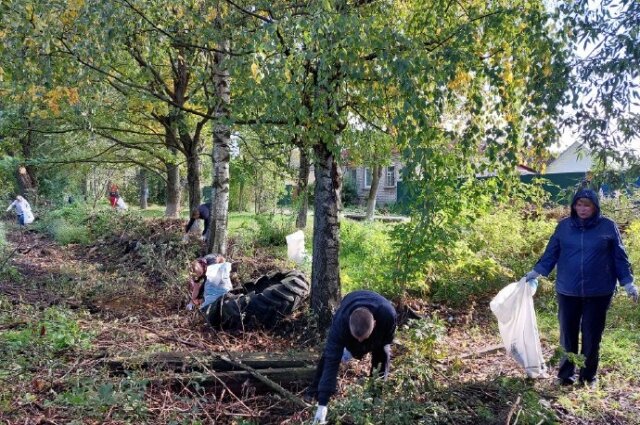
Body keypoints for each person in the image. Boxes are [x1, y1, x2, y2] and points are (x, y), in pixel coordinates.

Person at [524, 188, 637, 387]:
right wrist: (535, 272)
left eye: (587, 205)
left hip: (599, 291)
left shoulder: (607, 226)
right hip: (568, 290)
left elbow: (620, 258)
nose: (582, 209)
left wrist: (628, 283)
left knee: (592, 336)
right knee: (567, 335)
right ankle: (565, 376)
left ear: (595, 207)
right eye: (579, 204)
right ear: (574, 206)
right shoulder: (564, 227)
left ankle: (588, 377)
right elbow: (551, 253)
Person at [307, 290, 397, 424]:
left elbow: (386, 342)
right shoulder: (340, 322)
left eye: (363, 339)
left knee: (382, 353)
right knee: (328, 356)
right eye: (357, 339)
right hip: (350, 311)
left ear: (375, 324)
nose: (360, 342)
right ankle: (314, 391)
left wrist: (373, 346)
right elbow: (332, 360)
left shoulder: (388, 316)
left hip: (379, 329)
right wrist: (323, 404)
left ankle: (375, 396)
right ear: (349, 324)